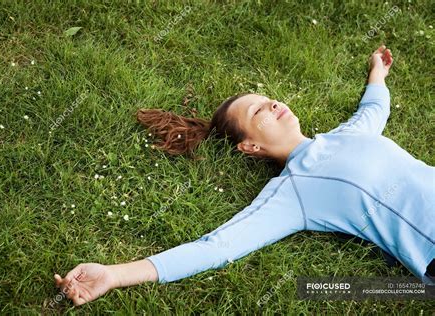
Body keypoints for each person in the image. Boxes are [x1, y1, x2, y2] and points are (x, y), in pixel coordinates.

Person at [53, 45, 434, 306]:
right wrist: (115, 274)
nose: (271, 104)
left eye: (266, 99)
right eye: (257, 113)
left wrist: (377, 71)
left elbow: (373, 110)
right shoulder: (294, 192)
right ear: (249, 147)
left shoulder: (350, 134)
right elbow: (217, 247)